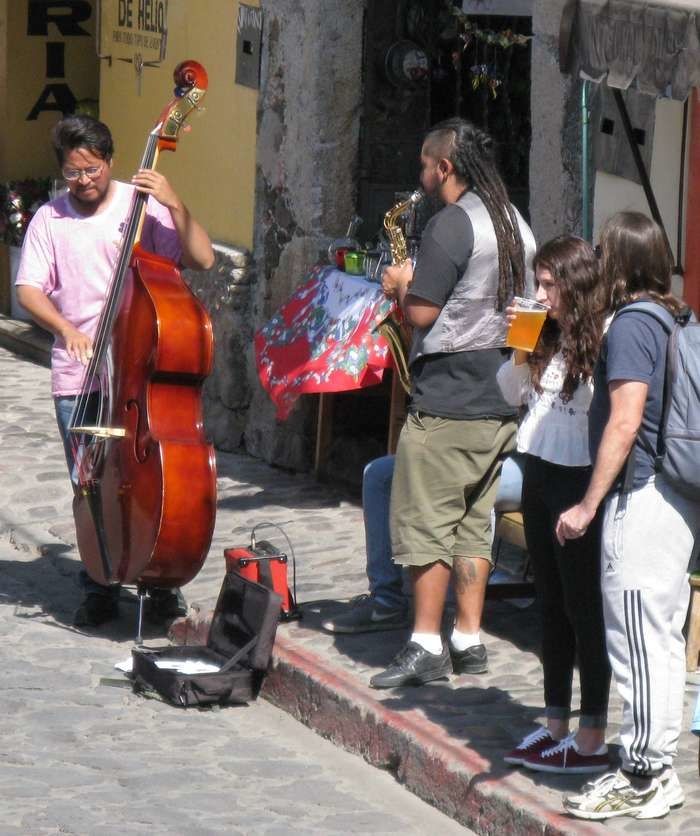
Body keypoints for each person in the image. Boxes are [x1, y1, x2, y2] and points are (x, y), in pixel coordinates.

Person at [15, 114, 215, 628]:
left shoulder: (142, 204)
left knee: (152, 484)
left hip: (138, 379)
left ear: (109, 160)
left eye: (92, 169)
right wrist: (66, 329)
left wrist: (174, 202)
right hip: (79, 381)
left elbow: (203, 258)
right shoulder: (50, 220)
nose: (84, 181)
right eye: (72, 173)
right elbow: (29, 289)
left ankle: (158, 583)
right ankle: (99, 583)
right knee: (91, 486)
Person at [370, 117, 536, 688]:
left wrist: (399, 282)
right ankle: (468, 638)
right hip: (500, 397)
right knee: (472, 523)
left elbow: (421, 313)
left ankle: (424, 643)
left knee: (426, 522)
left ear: (445, 167)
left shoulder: (450, 225)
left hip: (449, 400)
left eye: (424, 163)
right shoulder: (515, 221)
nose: (420, 174)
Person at [556, 212, 700, 820]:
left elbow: (625, 418)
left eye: (600, 249)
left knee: (638, 637)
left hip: (643, 496)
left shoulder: (634, 325)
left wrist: (590, 504)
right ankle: (656, 767)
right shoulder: (677, 314)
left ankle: (642, 774)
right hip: (676, 497)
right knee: (660, 638)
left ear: (617, 260)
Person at [497, 236, 611, 775]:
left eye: (549, 283)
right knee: (549, 601)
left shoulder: (603, 336)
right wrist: (520, 345)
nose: (540, 293)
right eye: (537, 282)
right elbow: (508, 392)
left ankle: (592, 731)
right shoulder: (545, 332)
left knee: (580, 604)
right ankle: (554, 721)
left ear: (575, 283)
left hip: (577, 475)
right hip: (539, 467)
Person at [321, 452, 525, 634]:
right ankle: (385, 602)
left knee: (456, 481)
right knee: (378, 474)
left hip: (519, 460)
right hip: (457, 451)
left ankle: (458, 621)